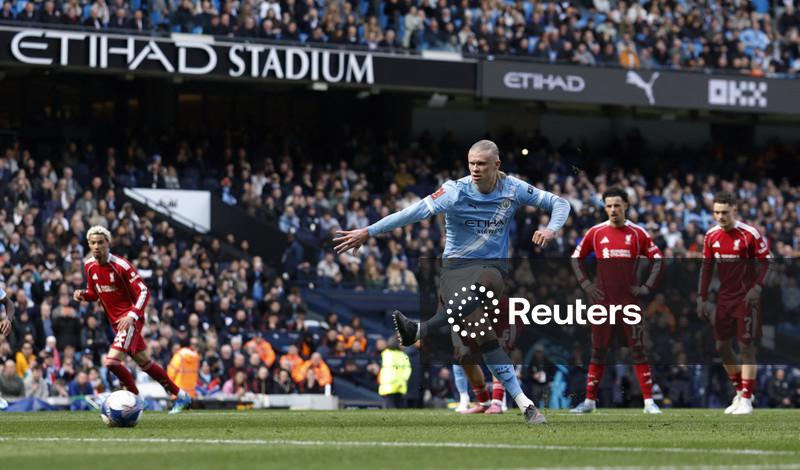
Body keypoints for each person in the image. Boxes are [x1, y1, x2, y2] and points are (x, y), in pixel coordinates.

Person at [334, 139, 570, 425]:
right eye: (471, 163)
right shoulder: (454, 191)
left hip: (491, 269)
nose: (474, 169)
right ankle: (526, 404)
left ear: (497, 165)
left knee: (487, 280)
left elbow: (560, 202)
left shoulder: (514, 188)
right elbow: (413, 212)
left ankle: (422, 329)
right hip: (453, 273)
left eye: (481, 164)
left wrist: (551, 228)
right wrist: (368, 232)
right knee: (480, 343)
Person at [73, 225, 191, 413]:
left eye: (100, 243)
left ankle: (136, 399)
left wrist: (132, 315)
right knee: (145, 364)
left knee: (111, 362)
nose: (96, 247)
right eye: (93, 243)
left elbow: (144, 291)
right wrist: (83, 295)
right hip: (116, 323)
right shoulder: (88, 266)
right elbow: (94, 294)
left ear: (108, 243)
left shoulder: (121, 266)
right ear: (88, 244)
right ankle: (181, 396)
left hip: (131, 319)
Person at [570, 186, 664, 414]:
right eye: (609, 206)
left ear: (626, 206)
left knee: (638, 350)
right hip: (603, 303)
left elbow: (658, 259)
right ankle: (590, 402)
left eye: (617, 206)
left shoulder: (638, 233)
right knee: (598, 351)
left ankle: (649, 402)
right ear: (605, 207)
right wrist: (587, 286)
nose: (613, 210)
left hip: (630, 303)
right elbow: (575, 258)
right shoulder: (596, 232)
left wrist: (646, 288)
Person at [697, 191, 771, 415]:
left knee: (746, 346)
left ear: (735, 211)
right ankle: (740, 391)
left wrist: (757, 288)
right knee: (721, 347)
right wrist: (701, 297)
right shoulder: (711, 236)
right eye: (717, 212)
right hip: (723, 299)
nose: (720, 217)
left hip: (746, 298)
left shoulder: (749, 234)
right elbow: (706, 267)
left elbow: (767, 262)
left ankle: (747, 399)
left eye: (725, 212)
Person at [378, 337, 412, 408]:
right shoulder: (403, 355)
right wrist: (403, 379)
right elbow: (407, 370)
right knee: (399, 404)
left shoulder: (385, 354)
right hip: (400, 384)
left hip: (388, 384)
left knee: (389, 405)